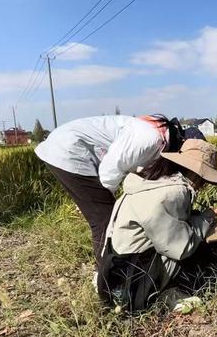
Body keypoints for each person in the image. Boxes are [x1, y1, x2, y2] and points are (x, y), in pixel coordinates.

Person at [35, 114, 185, 266]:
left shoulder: (156, 133)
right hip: (68, 149)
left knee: (105, 213)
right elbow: (110, 168)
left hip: (66, 145)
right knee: (105, 218)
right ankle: (108, 278)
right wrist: (100, 198)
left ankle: (113, 267)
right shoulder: (149, 140)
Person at [96, 139, 217, 312]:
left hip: (114, 270)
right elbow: (181, 247)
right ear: (197, 174)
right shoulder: (173, 192)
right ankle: (166, 293)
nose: (204, 186)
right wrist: (207, 218)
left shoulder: (150, 180)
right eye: (204, 179)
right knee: (197, 246)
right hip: (132, 283)